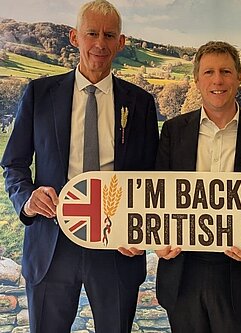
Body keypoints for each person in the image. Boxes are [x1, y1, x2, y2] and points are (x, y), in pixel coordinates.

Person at [1, 1, 159, 332]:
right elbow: (14, 164)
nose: (100, 43)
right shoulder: (39, 93)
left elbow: (150, 177)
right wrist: (27, 198)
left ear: (121, 42)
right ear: (75, 37)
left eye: (109, 35)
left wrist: (139, 229)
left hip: (115, 247)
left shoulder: (140, 103)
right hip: (52, 245)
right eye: (91, 33)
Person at [154, 40, 241, 333]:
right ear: (197, 80)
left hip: (240, 271)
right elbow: (157, 196)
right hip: (183, 269)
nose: (217, 80)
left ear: (239, 77)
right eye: (209, 72)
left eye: (226, 71)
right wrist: (157, 240)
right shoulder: (173, 131)